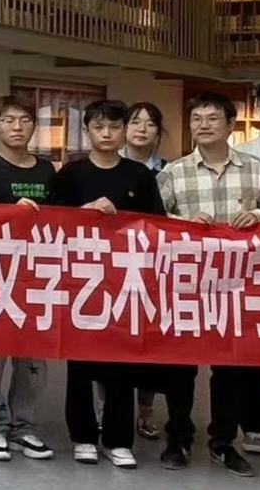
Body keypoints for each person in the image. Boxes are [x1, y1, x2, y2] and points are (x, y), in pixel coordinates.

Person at [156, 92, 260, 476]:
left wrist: (257, 216)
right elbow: (153, 222)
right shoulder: (173, 172)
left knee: (231, 366)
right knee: (181, 365)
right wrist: (184, 223)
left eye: (212, 118)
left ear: (230, 124)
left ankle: (222, 440)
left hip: (237, 284)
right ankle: (178, 434)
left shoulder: (256, 169)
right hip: (187, 283)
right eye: (196, 119)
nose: (203, 125)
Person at [49, 100, 166, 470]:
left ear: (123, 132)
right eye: (98, 127)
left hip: (125, 281)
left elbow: (157, 225)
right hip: (80, 280)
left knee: (122, 364)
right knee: (80, 364)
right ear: (87, 131)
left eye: (114, 127)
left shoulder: (139, 175)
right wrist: (82, 213)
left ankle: (118, 439)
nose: (107, 134)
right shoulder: (70, 174)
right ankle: (83, 436)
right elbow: (51, 224)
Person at [0, 96, 55, 463]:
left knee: (33, 358)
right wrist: (8, 214)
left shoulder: (48, 172)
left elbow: (63, 219)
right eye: (8, 120)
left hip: (38, 276)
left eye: (24, 120)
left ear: (34, 126)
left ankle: (24, 426)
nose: (17, 127)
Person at [121, 100, 166, 439]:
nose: (142, 129)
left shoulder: (170, 171)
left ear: (159, 133)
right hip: (114, 268)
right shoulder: (108, 164)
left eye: (150, 124)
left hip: (156, 268)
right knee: (112, 339)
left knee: (151, 343)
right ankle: (108, 408)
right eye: (135, 121)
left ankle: (146, 411)